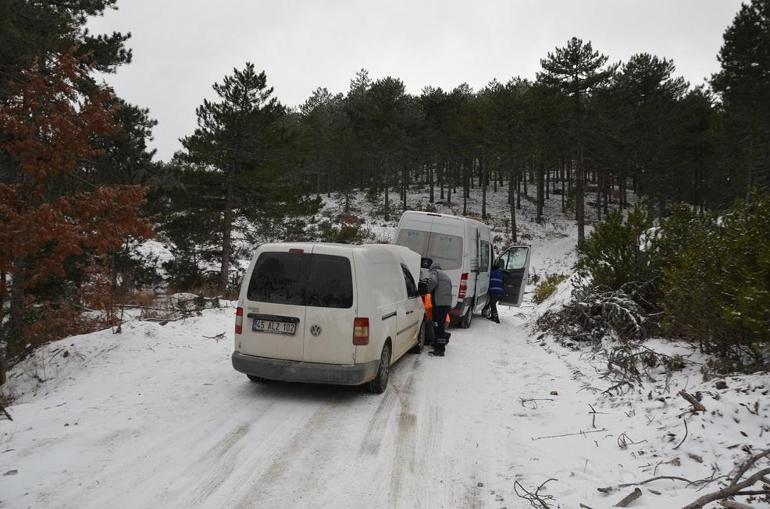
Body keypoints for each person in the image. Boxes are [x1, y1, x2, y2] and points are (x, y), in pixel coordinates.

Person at [423, 260, 452, 356]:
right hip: (446, 304)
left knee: (437, 326)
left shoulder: (434, 272)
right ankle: (438, 344)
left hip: (439, 304)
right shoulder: (446, 275)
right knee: (440, 325)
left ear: (432, 268)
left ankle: (440, 349)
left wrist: (426, 289)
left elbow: (433, 281)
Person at [483, 259, 504, 323]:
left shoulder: (491, 273)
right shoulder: (500, 273)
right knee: (492, 303)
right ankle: (493, 316)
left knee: (493, 304)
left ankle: (496, 318)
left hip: (494, 292)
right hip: (500, 292)